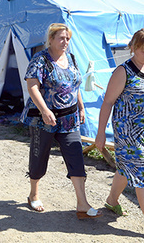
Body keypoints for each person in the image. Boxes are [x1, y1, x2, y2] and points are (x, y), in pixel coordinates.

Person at [95, 28, 144, 243]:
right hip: (129, 133)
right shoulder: (123, 71)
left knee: (126, 167)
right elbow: (107, 103)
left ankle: (112, 200)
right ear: (133, 48)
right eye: (143, 50)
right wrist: (100, 134)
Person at [20, 23, 102, 219]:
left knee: (76, 157)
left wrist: (81, 107)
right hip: (44, 119)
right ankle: (34, 194)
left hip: (69, 119)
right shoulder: (41, 60)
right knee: (39, 157)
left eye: (67, 38)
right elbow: (32, 87)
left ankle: (82, 204)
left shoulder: (71, 58)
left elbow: (76, 86)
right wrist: (45, 110)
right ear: (51, 40)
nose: (65, 42)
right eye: (61, 38)